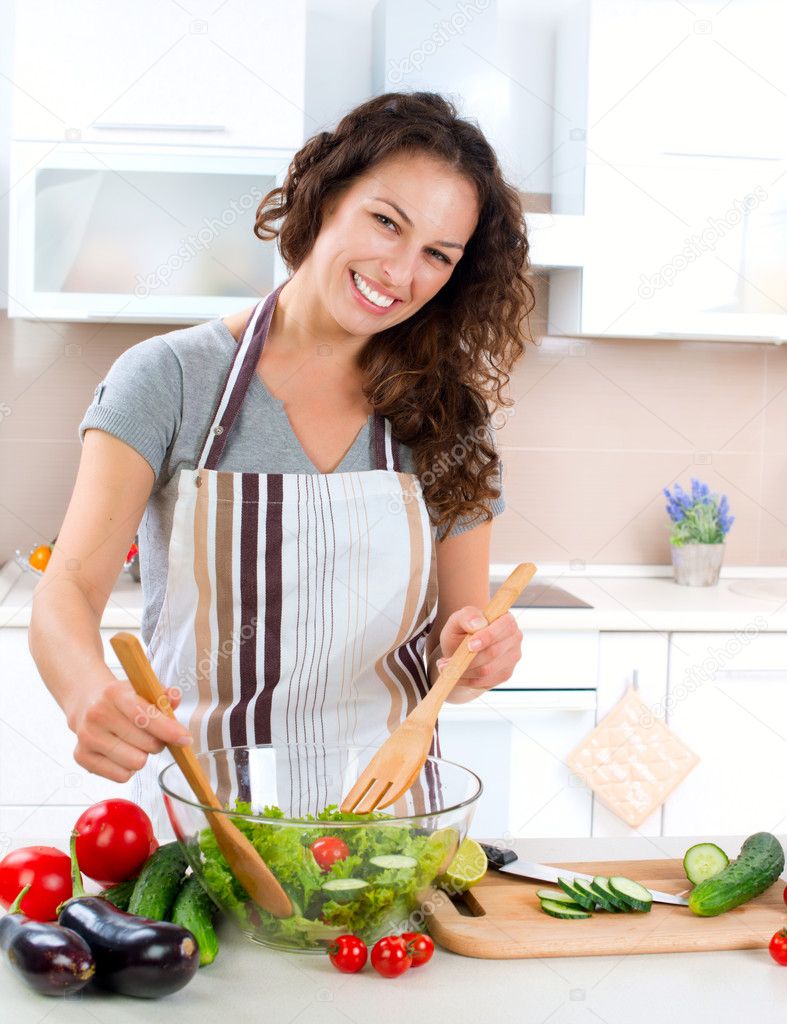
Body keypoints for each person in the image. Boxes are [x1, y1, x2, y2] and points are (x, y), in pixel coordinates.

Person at [29, 91, 535, 834]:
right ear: (324, 198)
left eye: (437, 254)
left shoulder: (447, 415)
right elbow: (65, 590)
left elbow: (448, 659)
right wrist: (84, 688)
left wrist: (473, 658)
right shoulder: (169, 378)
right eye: (385, 221)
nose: (399, 270)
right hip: (205, 821)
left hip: (386, 831)